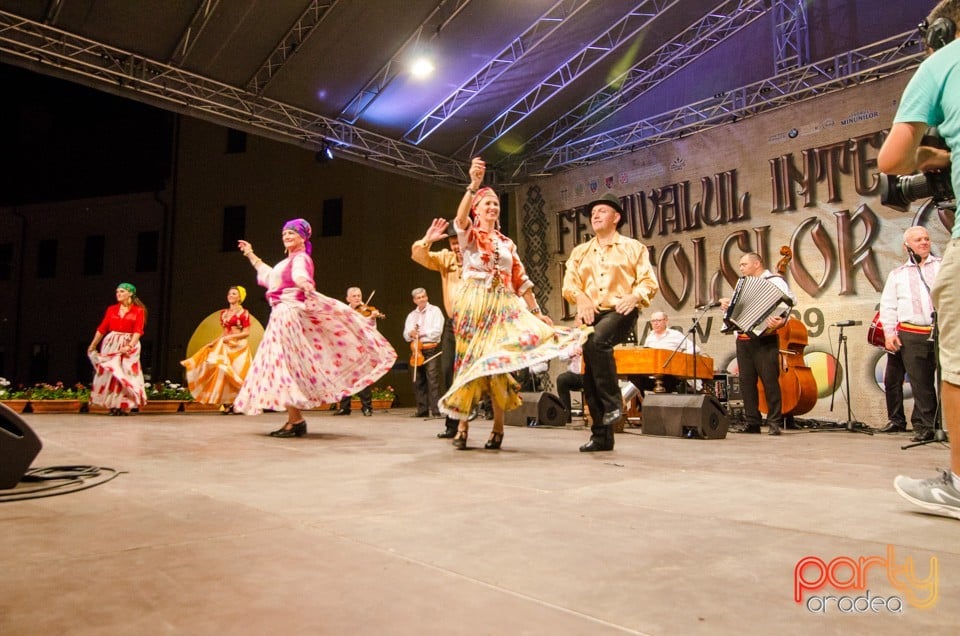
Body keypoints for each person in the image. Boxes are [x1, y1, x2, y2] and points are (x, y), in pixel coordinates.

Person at [439, 157, 585, 450]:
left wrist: (537, 313)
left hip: (503, 306)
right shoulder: (469, 236)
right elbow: (459, 220)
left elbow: (521, 279)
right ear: (477, 210)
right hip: (474, 303)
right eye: (487, 203)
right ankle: (463, 427)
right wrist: (473, 186)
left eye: (496, 204)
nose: (492, 207)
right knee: (469, 362)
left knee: (498, 364)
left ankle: (498, 428)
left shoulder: (507, 244)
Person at [879, 0, 960, 519]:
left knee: (957, 363)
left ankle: (957, 482)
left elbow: (891, 161)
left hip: (923, 323)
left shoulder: (942, 62)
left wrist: (926, 155)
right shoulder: (898, 272)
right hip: (906, 327)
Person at [233, 219, 396, 437]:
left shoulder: (301, 258)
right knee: (282, 365)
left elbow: (300, 274)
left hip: (288, 313)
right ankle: (295, 419)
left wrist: (304, 283)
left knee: (283, 364)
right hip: (280, 313)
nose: (287, 235)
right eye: (284, 233)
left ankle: (296, 420)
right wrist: (250, 254)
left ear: (303, 237)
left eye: (292, 232)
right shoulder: (286, 262)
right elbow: (269, 275)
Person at [562, 192, 659, 452]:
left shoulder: (633, 247)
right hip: (591, 313)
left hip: (621, 309)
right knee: (590, 374)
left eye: (602, 211)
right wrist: (580, 297)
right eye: (593, 212)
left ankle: (615, 403)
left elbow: (649, 282)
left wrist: (635, 295)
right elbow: (569, 284)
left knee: (597, 341)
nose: (595, 215)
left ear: (616, 217)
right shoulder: (580, 252)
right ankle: (601, 437)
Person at [719, 252, 796, 436]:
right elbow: (740, 308)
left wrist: (781, 321)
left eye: (744, 264)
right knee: (746, 382)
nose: (741, 268)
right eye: (740, 265)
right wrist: (727, 305)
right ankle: (752, 422)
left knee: (770, 381)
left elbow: (790, 302)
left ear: (757, 263)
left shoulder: (775, 281)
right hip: (743, 339)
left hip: (765, 338)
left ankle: (774, 422)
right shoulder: (742, 283)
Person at [878, 227, 942, 442]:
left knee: (947, 380)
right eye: (918, 240)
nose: (924, 242)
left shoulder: (942, 266)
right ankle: (926, 427)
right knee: (920, 382)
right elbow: (888, 306)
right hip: (912, 332)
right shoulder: (897, 274)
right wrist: (889, 334)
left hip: (942, 331)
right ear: (907, 246)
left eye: (926, 238)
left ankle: (940, 424)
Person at [411, 218, 464, 438]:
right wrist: (427, 240)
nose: (456, 246)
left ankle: (489, 418)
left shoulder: (477, 258)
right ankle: (453, 424)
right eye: (452, 242)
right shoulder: (446, 259)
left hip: (476, 323)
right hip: (454, 325)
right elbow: (418, 255)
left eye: (459, 241)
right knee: (448, 373)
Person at [180, 285, 252, 412]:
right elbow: (224, 332)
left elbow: (246, 332)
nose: (230, 295)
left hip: (239, 347)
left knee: (238, 374)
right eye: (229, 293)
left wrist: (231, 337)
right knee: (225, 374)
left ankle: (241, 403)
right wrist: (213, 342)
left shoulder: (244, 313)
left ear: (240, 297)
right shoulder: (224, 313)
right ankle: (229, 403)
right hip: (225, 345)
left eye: (234, 294)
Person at [87, 283, 148, 415]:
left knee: (126, 374)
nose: (118, 294)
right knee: (112, 373)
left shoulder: (138, 311)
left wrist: (129, 345)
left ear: (130, 293)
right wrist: (93, 345)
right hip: (112, 342)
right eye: (117, 292)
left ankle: (125, 405)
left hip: (129, 343)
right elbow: (102, 328)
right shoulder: (112, 309)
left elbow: (138, 330)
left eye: (121, 291)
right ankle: (113, 404)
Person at [333, 286, 384, 417]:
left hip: (362, 348)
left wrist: (372, 318)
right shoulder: (344, 310)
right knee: (346, 377)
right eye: (354, 296)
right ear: (348, 298)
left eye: (359, 296)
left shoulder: (367, 310)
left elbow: (370, 328)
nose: (357, 298)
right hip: (347, 348)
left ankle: (367, 407)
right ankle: (345, 407)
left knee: (363, 377)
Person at [403, 287, 445, 418]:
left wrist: (420, 334)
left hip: (430, 349)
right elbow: (405, 335)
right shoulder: (411, 315)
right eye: (418, 298)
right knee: (418, 380)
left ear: (427, 297)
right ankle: (422, 410)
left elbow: (437, 331)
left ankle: (436, 410)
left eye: (423, 296)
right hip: (416, 350)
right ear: (414, 300)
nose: (421, 299)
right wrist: (410, 333)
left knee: (433, 380)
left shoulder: (435, 311)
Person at [879, 350, 910, 433]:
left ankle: (922, 425)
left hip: (918, 342)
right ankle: (896, 422)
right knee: (891, 381)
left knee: (920, 384)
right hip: (896, 345)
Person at [555, 346, 584, 424]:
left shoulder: (589, 340)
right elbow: (561, 357)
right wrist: (571, 353)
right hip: (573, 374)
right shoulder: (571, 343)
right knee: (562, 379)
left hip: (587, 374)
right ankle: (567, 415)